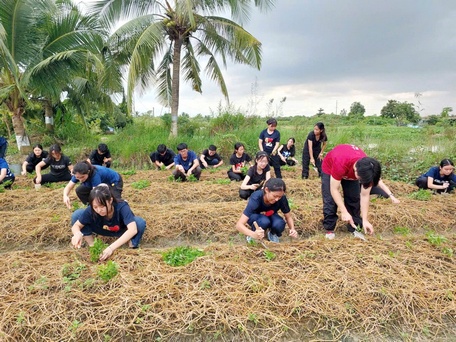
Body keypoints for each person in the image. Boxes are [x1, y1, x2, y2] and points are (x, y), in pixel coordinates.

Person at [321, 144, 400, 240]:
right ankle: (329, 229)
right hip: (330, 167)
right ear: (356, 171)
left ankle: (355, 228)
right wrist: (344, 211)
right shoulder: (341, 162)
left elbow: (364, 195)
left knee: (354, 198)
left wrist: (365, 220)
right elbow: (334, 189)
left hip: (349, 169)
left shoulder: (367, 168)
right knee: (330, 201)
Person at [70, 184, 146, 261]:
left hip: (121, 230)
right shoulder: (91, 210)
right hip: (102, 229)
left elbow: (132, 229)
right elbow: (76, 225)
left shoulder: (122, 206)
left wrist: (110, 248)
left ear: (110, 200)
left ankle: (132, 245)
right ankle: (93, 246)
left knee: (139, 222)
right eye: (95, 207)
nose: (99, 210)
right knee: (77, 215)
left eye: (102, 206)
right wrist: (77, 233)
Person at [236, 178, 298, 243]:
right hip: (256, 216)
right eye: (274, 196)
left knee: (279, 224)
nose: (277, 199)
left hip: (271, 214)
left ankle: (272, 233)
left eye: (279, 197)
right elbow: (239, 225)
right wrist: (253, 234)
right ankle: (255, 233)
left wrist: (292, 229)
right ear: (266, 190)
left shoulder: (282, 198)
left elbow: (288, 217)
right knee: (264, 221)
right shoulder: (256, 198)